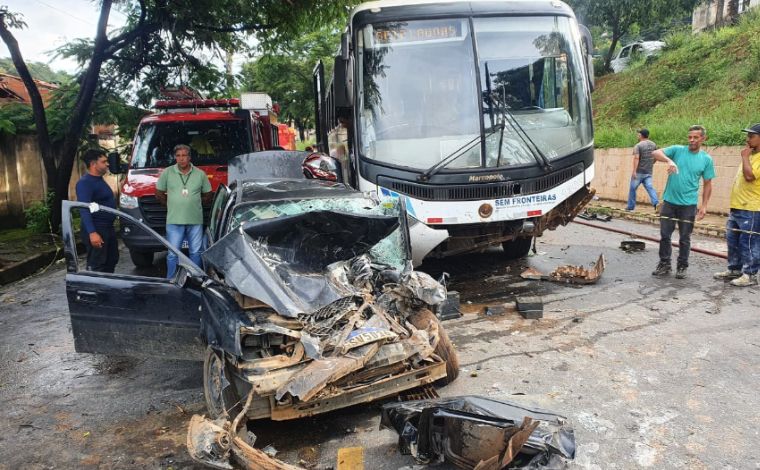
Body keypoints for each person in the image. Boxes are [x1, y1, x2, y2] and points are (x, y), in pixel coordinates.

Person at [650, 125, 715, 279]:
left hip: (688, 205)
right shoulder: (677, 150)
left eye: (696, 137)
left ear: (703, 139)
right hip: (669, 203)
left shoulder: (706, 159)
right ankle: (664, 264)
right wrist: (669, 161)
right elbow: (655, 152)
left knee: (685, 238)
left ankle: (682, 266)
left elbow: (708, 184)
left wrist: (704, 206)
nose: (691, 140)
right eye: (690, 137)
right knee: (665, 235)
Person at [713, 123, 760, 287]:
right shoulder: (750, 155)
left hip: (752, 209)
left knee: (749, 243)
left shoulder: (751, 156)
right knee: (733, 240)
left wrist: (745, 157)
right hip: (737, 206)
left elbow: (749, 177)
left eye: (751, 136)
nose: (747, 139)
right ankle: (734, 269)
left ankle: (750, 275)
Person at [156, 144, 212, 278]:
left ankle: (195, 280)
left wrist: (195, 204)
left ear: (190, 157)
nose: (181, 159)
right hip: (174, 220)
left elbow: (208, 194)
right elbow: (158, 193)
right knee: (173, 253)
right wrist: (170, 205)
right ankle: (171, 280)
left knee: (196, 252)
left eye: (184, 155)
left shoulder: (200, 174)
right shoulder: (167, 172)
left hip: (195, 220)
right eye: (178, 156)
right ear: (175, 157)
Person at [75, 149, 119, 272]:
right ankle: (95, 290)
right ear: (94, 164)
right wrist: (92, 233)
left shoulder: (99, 180)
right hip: (97, 228)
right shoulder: (85, 183)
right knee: (97, 263)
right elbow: (84, 209)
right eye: (104, 162)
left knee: (111, 259)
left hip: (107, 227)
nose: (108, 164)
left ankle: (107, 288)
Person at [626, 128, 659, 211]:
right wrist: (652, 163)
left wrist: (634, 171)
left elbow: (636, 158)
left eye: (638, 134)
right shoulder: (653, 144)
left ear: (641, 135)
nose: (637, 135)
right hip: (648, 172)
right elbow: (656, 156)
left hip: (639, 172)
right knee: (650, 187)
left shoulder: (638, 145)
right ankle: (656, 203)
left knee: (633, 189)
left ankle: (630, 207)